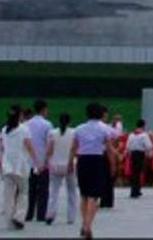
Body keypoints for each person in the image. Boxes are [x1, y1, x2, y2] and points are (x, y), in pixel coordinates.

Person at [69, 102, 116, 240]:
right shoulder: (104, 129)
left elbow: (73, 147)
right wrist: (113, 165)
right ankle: (87, 225)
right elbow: (109, 149)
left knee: (84, 194)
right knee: (94, 196)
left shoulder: (79, 128)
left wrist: (70, 163)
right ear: (101, 113)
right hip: (97, 161)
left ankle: (84, 223)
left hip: (82, 161)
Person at [0, 104, 38, 230]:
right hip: (21, 165)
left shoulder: (4, 129)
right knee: (23, 192)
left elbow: (3, 147)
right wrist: (37, 162)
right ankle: (19, 217)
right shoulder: (24, 129)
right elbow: (29, 146)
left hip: (7, 165)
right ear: (20, 115)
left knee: (8, 195)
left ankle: (9, 220)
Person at [44, 112, 78, 226]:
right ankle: (71, 217)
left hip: (55, 164)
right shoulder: (74, 133)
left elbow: (49, 150)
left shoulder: (52, 133)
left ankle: (50, 214)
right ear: (69, 121)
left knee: (53, 191)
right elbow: (74, 149)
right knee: (72, 191)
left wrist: (46, 162)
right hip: (69, 165)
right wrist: (70, 162)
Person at [23, 99, 52, 223]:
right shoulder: (47, 124)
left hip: (29, 161)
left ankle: (29, 213)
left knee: (30, 189)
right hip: (42, 160)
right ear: (44, 109)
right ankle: (41, 213)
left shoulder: (26, 124)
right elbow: (49, 143)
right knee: (43, 189)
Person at [126, 119, 153, 199]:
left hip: (133, 154)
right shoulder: (144, 135)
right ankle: (135, 191)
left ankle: (135, 190)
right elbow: (148, 146)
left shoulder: (131, 135)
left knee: (134, 172)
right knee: (138, 173)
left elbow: (128, 146)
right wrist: (149, 154)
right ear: (143, 126)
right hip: (140, 154)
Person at [98, 109, 118, 209]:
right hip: (105, 154)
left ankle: (99, 200)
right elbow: (113, 143)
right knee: (108, 178)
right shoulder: (107, 129)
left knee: (100, 179)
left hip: (94, 155)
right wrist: (113, 163)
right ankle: (107, 201)